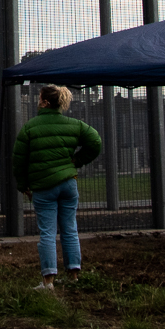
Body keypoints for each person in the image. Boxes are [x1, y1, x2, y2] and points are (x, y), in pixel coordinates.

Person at [12, 83, 101, 288]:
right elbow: (96, 142)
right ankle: (74, 276)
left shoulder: (30, 127)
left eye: (39, 98)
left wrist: (23, 185)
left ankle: (48, 281)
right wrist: (77, 161)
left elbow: (19, 160)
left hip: (44, 187)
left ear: (44, 102)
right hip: (69, 184)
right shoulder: (74, 124)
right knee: (70, 229)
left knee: (47, 233)